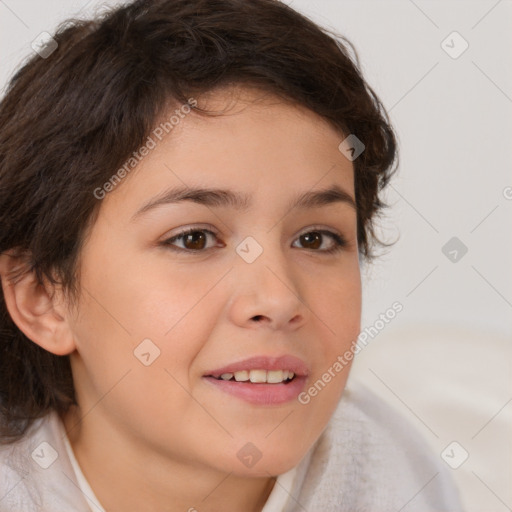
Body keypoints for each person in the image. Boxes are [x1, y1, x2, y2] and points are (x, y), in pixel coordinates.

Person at [0, 0, 463, 510]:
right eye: (194, 238)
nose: (278, 297)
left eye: (316, 239)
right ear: (44, 295)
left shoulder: (397, 475)